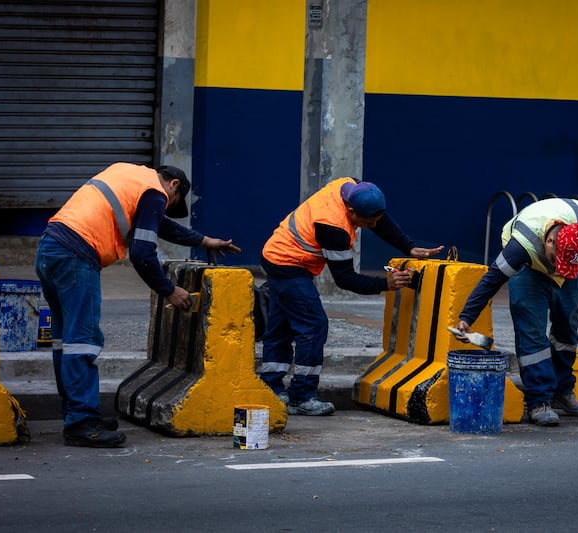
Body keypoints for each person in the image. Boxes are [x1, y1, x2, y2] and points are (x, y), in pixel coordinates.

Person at [35, 162, 240, 448]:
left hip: (50, 248)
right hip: (76, 256)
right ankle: (82, 423)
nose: (164, 208)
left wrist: (205, 241)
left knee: (65, 342)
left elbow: (161, 225)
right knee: (83, 341)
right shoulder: (155, 192)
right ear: (174, 186)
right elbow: (143, 254)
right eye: (171, 204)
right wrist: (169, 290)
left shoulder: (129, 175)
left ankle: (76, 414)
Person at [260, 177, 444, 416]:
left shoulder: (350, 185)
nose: (370, 226)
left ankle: (270, 387)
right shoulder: (334, 227)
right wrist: (385, 284)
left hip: (275, 255)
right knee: (314, 325)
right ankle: (301, 396)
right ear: (350, 210)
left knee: (281, 325)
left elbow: (380, 219)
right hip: (287, 265)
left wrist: (407, 246)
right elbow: (345, 279)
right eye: (365, 223)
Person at [453, 198, 578, 426]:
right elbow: (492, 280)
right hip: (529, 269)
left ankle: (562, 390)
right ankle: (539, 401)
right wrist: (467, 317)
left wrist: (571, 266)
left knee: (568, 326)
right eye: (556, 261)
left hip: (573, 265)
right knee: (532, 334)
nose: (558, 269)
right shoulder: (520, 248)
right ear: (549, 240)